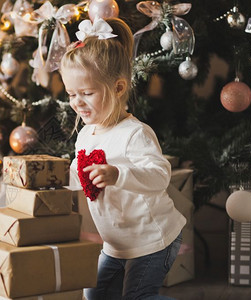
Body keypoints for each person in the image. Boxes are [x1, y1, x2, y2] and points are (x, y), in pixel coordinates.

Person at [60, 17, 186, 300]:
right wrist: (55, 182)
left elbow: (160, 174)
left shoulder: (134, 134)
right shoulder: (86, 134)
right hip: (116, 242)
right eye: (71, 94)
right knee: (94, 295)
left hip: (153, 238)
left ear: (118, 88)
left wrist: (119, 174)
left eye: (86, 93)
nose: (77, 102)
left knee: (138, 296)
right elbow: (76, 175)